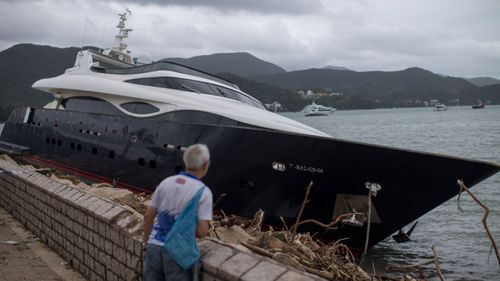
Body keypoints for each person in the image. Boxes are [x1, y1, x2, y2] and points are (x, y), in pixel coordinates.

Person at [143, 144, 213, 281]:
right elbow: (202, 232)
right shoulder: (203, 192)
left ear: (186, 162)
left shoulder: (166, 183)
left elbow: (148, 217)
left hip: (154, 246)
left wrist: (146, 245)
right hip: (177, 253)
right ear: (205, 165)